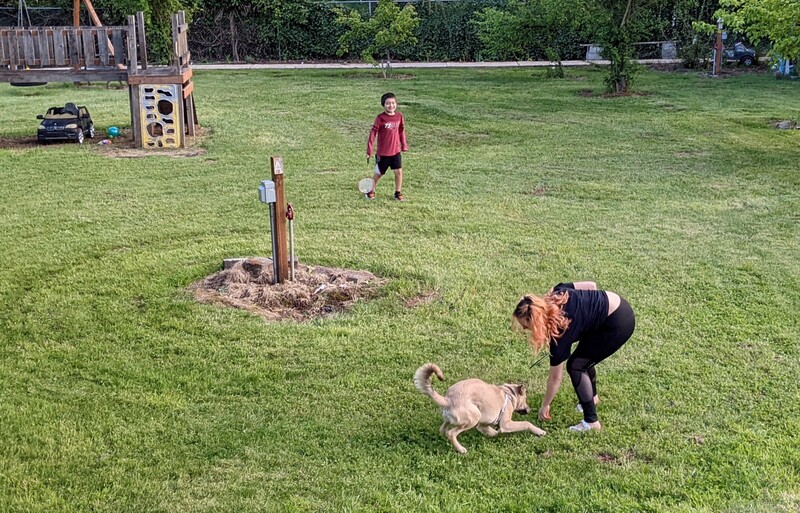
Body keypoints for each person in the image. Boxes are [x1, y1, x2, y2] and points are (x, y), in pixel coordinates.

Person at [512, 281, 635, 432]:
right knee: (584, 355)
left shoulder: (558, 333)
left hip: (618, 324)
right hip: (618, 303)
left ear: (535, 321)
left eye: (526, 325)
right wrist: (589, 314)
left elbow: (555, 378)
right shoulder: (558, 292)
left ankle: (591, 422)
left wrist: (545, 405)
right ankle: (593, 398)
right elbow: (591, 286)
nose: (525, 329)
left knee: (576, 366)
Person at [366, 92, 408, 201]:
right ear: (383, 105)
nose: (391, 106)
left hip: (396, 151)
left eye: (393, 103)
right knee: (379, 173)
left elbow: (401, 130)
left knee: (398, 172)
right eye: (388, 103)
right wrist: (369, 150)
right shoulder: (380, 118)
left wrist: (404, 145)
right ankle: (370, 190)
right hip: (383, 153)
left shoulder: (399, 116)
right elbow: (373, 133)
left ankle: (397, 193)